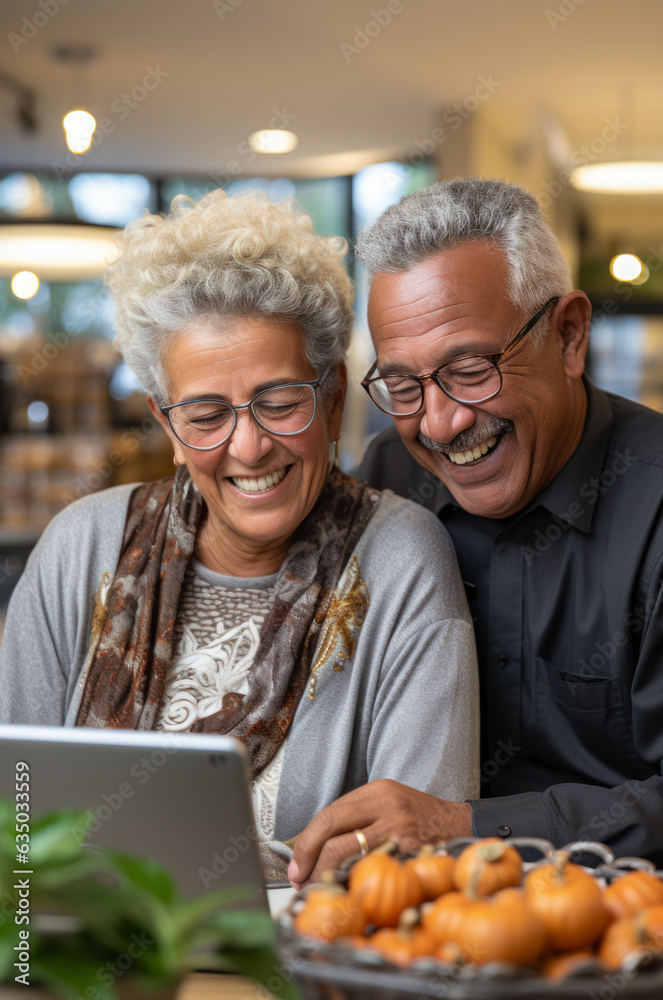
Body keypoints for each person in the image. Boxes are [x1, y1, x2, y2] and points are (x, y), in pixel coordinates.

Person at [288, 177, 663, 897]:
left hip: (631, 925)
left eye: (469, 370)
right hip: (420, 915)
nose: (439, 425)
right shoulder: (389, 476)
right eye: (403, 386)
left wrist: (463, 826)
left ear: (568, 335)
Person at [0, 188, 480, 871]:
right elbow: (15, 823)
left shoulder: (402, 560)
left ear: (333, 396)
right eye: (204, 415)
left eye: (279, 402)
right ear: (166, 425)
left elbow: (419, 867)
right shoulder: (81, 546)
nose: (249, 447)